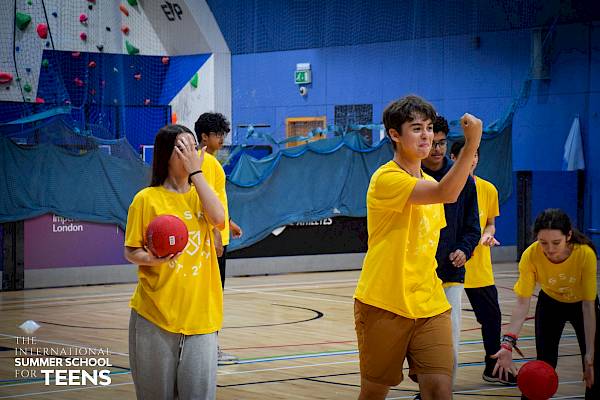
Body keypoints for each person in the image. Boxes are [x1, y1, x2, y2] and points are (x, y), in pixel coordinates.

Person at [353, 94, 482, 400]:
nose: (426, 136)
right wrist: (472, 144)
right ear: (395, 135)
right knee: (374, 393)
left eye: (428, 128)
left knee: (439, 390)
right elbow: (447, 193)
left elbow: (443, 198)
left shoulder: (428, 182)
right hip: (384, 304)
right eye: (416, 128)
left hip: (430, 303)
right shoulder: (386, 179)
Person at [124, 124, 225, 400]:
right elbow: (131, 251)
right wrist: (152, 259)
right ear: (166, 155)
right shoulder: (145, 200)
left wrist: (197, 173)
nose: (191, 153)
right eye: (182, 148)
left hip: (202, 317)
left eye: (193, 147)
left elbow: (219, 219)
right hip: (155, 316)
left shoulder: (202, 195)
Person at [493, 209, 599, 399]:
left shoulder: (585, 254)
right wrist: (507, 343)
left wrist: (590, 354)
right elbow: (522, 303)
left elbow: (588, 306)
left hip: (581, 305)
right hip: (551, 304)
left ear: (568, 236)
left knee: (594, 367)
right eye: (543, 243)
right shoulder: (531, 255)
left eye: (556, 242)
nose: (550, 249)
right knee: (542, 367)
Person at [450, 140, 516, 385]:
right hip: (449, 267)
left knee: (491, 318)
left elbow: (490, 223)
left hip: (479, 268)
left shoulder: (488, 189)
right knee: (443, 325)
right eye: (467, 154)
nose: (472, 159)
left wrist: (488, 234)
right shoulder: (443, 187)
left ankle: (492, 367)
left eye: (475, 155)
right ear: (453, 158)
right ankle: (435, 379)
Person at [421, 116, 481, 387]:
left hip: (449, 274)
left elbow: (473, 228)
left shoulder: (463, 179)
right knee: (419, 345)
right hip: (416, 275)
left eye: (442, 143)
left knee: (449, 343)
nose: (437, 149)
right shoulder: (410, 178)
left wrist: (464, 250)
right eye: (432, 143)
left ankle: (444, 393)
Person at [194, 112, 243, 365]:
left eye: (223, 133)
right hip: (213, 240)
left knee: (211, 295)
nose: (222, 139)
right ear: (204, 136)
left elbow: (215, 201)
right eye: (217, 134)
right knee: (212, 297)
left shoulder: (205, 161)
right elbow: (203, 200)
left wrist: (228, 223)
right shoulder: (207, 162)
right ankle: (210, 350)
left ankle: (206, 349)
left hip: (217, 234)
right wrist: (215, 232)